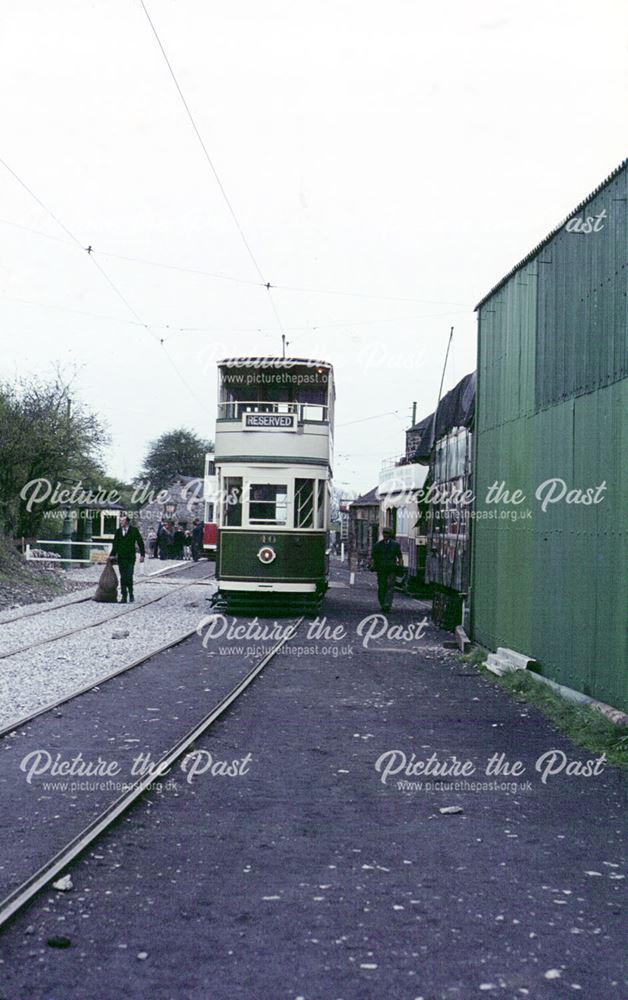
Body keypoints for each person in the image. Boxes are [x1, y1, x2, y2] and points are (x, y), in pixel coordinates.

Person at [110, 515, 145, 603]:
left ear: (127, 522)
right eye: (120, 521)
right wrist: (112, 555)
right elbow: (115, 544)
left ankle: (131, 593)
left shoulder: (134, 530)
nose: (121, 522)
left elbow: (140, 542)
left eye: (122, 521)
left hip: (130, 557)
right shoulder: (118, 532)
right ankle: (124, 596)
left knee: (129, 576)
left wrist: (142, 555)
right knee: (122, 577)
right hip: (121, 557)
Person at [371, 527, 403, 613]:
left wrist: (400, 567)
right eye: (384, 533)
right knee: (382, 587)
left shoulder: (395, 545)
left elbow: (399, 556)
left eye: (387, 533)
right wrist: (373, 566)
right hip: (381, 569)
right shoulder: (377, 545)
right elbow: (374, 557)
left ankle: (387, 604)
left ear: (390, 534)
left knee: (389, 586)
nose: (385, 535)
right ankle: (383, 603)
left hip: (391, 568)